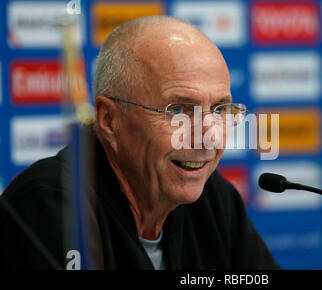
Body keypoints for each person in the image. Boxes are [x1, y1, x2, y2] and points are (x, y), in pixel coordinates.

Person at [0, 16, 281, 270]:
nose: (211, 136)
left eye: (220, 110)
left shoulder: (214, 196)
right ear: (110, 119)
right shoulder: (51, 207)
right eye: (178, 111)